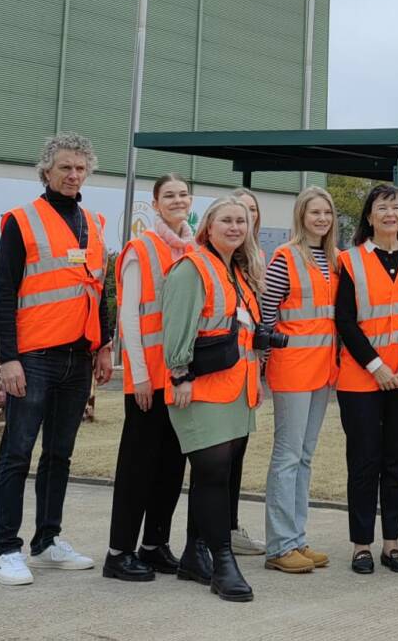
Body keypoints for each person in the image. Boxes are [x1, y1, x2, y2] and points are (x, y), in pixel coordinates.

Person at [0, 133, 113, 587]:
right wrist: (9, 359)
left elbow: (98, 289)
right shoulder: (22, 222)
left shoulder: (95, 223)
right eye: (64, 167)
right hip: (33, 357)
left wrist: (106, 344)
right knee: (17, 453)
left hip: (78, 358)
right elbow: (2, 295)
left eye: (80, 168)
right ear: (46, 171)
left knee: (59, 454)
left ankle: (47, 540)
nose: (73, 175)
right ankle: (6, 549)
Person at [161, 195, 265, 602]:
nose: (236, 227)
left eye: (242, 220)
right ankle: (223, 563)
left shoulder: (234, 270)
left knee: (218, 475)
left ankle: (195, 553)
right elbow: (178, 326)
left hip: (237, 389)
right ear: (208, 225)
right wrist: (180, 374)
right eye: (227, 220)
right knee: (212, 473)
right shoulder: (193, 266)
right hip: (201, 387)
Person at [103, 173, 195, 582]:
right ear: (155, 204)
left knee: (171, 468)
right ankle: (118, 551)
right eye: (169, 196)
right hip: (147, 381)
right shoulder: (141, 249)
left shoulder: (193, 248)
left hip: (178, 380)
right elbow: (129, 318)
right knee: (137, 469)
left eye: (184, 194)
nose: (178, 200)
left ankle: (155, 545)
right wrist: (138, 376)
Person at [335, 183, 398, 575]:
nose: (391, 213)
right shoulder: (349, 260)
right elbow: (344, 321)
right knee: (364, 460)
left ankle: (392, 542)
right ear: (369, 216)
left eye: (396, 207)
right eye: (382, 207)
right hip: (361, 379)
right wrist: (377, 366)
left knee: (397, 461)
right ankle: (361, 544)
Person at [259, 186, 338, 574]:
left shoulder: (334, 259)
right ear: (301, 216)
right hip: (292, 367)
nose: (321, 219)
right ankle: (279, 544)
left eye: (326, 213)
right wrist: (265, 365)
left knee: (304, 457)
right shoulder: (284, 257)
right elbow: (267, 315)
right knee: (287, 457)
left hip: (322, 369)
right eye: (314, 213)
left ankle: (297, 538)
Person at [226, 187, 267, 557]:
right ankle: (216, 534)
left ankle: (231, 527)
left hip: (248, 376)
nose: (245, 217)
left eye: (251, 211)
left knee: (237, 457)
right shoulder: (218, 261)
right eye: (237, 211)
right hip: (220, 375)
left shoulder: (256, 260)